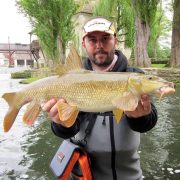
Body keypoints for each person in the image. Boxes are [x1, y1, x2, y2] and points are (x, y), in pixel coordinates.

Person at [42, 17, 158, 180]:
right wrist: (59, 122)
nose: (99, 45)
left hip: (129, 175)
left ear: (115, 40)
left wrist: (142, 116)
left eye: (105, 38)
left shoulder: (135, 75)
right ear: (84, 44)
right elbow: (67, 130)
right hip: (84, 174)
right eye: (92, 39)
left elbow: (149, 122)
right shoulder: (71, 80)